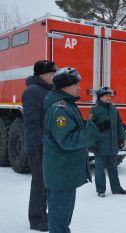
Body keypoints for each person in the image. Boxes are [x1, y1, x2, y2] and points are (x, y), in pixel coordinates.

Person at [42, 67, 100, 233]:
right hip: (61, 175)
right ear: (65, 87)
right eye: (76, 85)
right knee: (59, 223)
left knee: (62, 220)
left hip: (64, 173)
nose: (79, 88)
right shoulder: (59, 110)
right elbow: (67, 140)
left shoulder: (66, 105)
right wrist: (91, 130)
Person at [22, 60, 57, 232]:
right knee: (39, 184)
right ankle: (36, 220)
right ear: (41, 74)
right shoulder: (32, 92)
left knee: (46, 182)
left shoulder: (46, 90)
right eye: (51, 73)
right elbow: (32, 123)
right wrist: (39, 145)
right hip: (38, 146)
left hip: (47, 146)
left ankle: (44, 215)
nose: (53, 75)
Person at [89, 86, 126, 197]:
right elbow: (90, 128)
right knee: (99, 170)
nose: (109, 98)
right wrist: (92, 144)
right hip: (100, 145)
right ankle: (101, 190)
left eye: (109, 95)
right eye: (106, 96)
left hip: (112, 145)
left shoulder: (113, 109)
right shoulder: (94, 110)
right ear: (100, 97)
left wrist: (121, 139)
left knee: (113, 168)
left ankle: (116, 188)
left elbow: (119, 125)